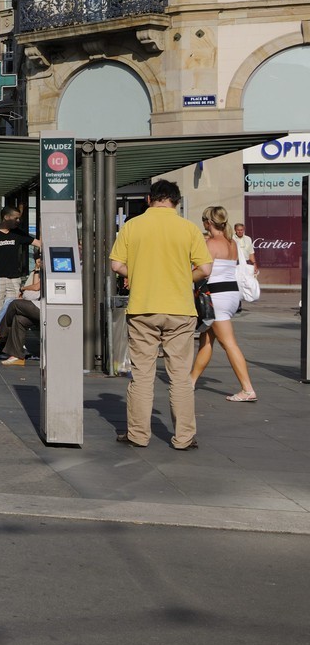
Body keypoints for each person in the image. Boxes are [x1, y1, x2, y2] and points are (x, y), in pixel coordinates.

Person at [107, 179, 212, 450]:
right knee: (179, 375)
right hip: (180, 309)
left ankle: (138, 435)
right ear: (175, 201)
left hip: (143, 307)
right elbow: (205, 269)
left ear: (149, 199)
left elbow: (116, 264)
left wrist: (139, 274)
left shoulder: (133, 226)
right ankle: (184, 438)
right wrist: (184, 278)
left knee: (142, 374)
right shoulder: (188, 228)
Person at [191, 206, 257, 403]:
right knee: (207, 339)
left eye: (204, 220)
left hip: (216, 296)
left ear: (208, 223)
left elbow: (203, 271)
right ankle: (191, 380)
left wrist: (184, 276)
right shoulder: (232, 243)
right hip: (230, 294)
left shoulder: (210, 243)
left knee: (228, 343)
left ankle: (247, 388)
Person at [0, 206, 33, 332]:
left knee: (13, 309)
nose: (18, 221)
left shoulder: (17, 233)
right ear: (6, 217)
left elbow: (36, 242)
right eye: (16, 218)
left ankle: (9, 339)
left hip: (14, 277)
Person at [0, 264, 42, 365]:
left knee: (14, 304)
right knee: (19, 319)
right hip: (40, 305)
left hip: (46, 308)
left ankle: (0, 333)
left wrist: (22, 289)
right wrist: (37, 269)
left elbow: (36, 287)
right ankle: (17, 355)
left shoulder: (55, 267)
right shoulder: (42, 270)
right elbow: (36, 285)